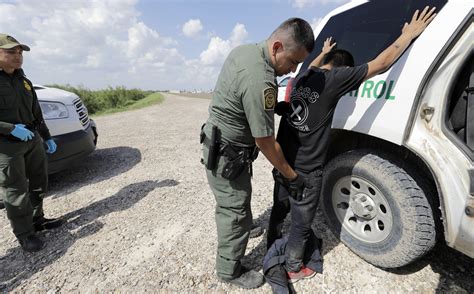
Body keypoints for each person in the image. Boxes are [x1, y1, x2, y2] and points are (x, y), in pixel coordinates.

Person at [267, 6, 437, 283]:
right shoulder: (336, 80)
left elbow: (312, 65)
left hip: (283, 160)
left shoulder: (303, 77)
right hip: (306, 170)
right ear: (344, 70)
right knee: (301, 221)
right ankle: (295, 267)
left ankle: (272, 238)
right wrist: (408, 34)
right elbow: (382, 63)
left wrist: (322, 51)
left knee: (280, 204)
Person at [200, 18, 315, 289]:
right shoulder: (260, 79)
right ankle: (229, 269)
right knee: (234, 210)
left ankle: (243, 229)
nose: (293, 69)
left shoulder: (246, 51)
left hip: (223, 147)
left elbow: (241, 95)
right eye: (292, 61)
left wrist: (275, 106)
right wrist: (291, 175)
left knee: (240, 197)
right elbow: (265, 141)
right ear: (276, 47)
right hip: (228, 155)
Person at [0, 33, 64, 252]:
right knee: (15, 190)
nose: (18, 57)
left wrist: (46, 136)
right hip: (6, 145)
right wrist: (10, 129)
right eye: (11, 52)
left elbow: (36, 113)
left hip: (31, 139)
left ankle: (38, 220)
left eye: (19, 52)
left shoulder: (24, 81)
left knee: (39, 181)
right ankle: (25, 234)